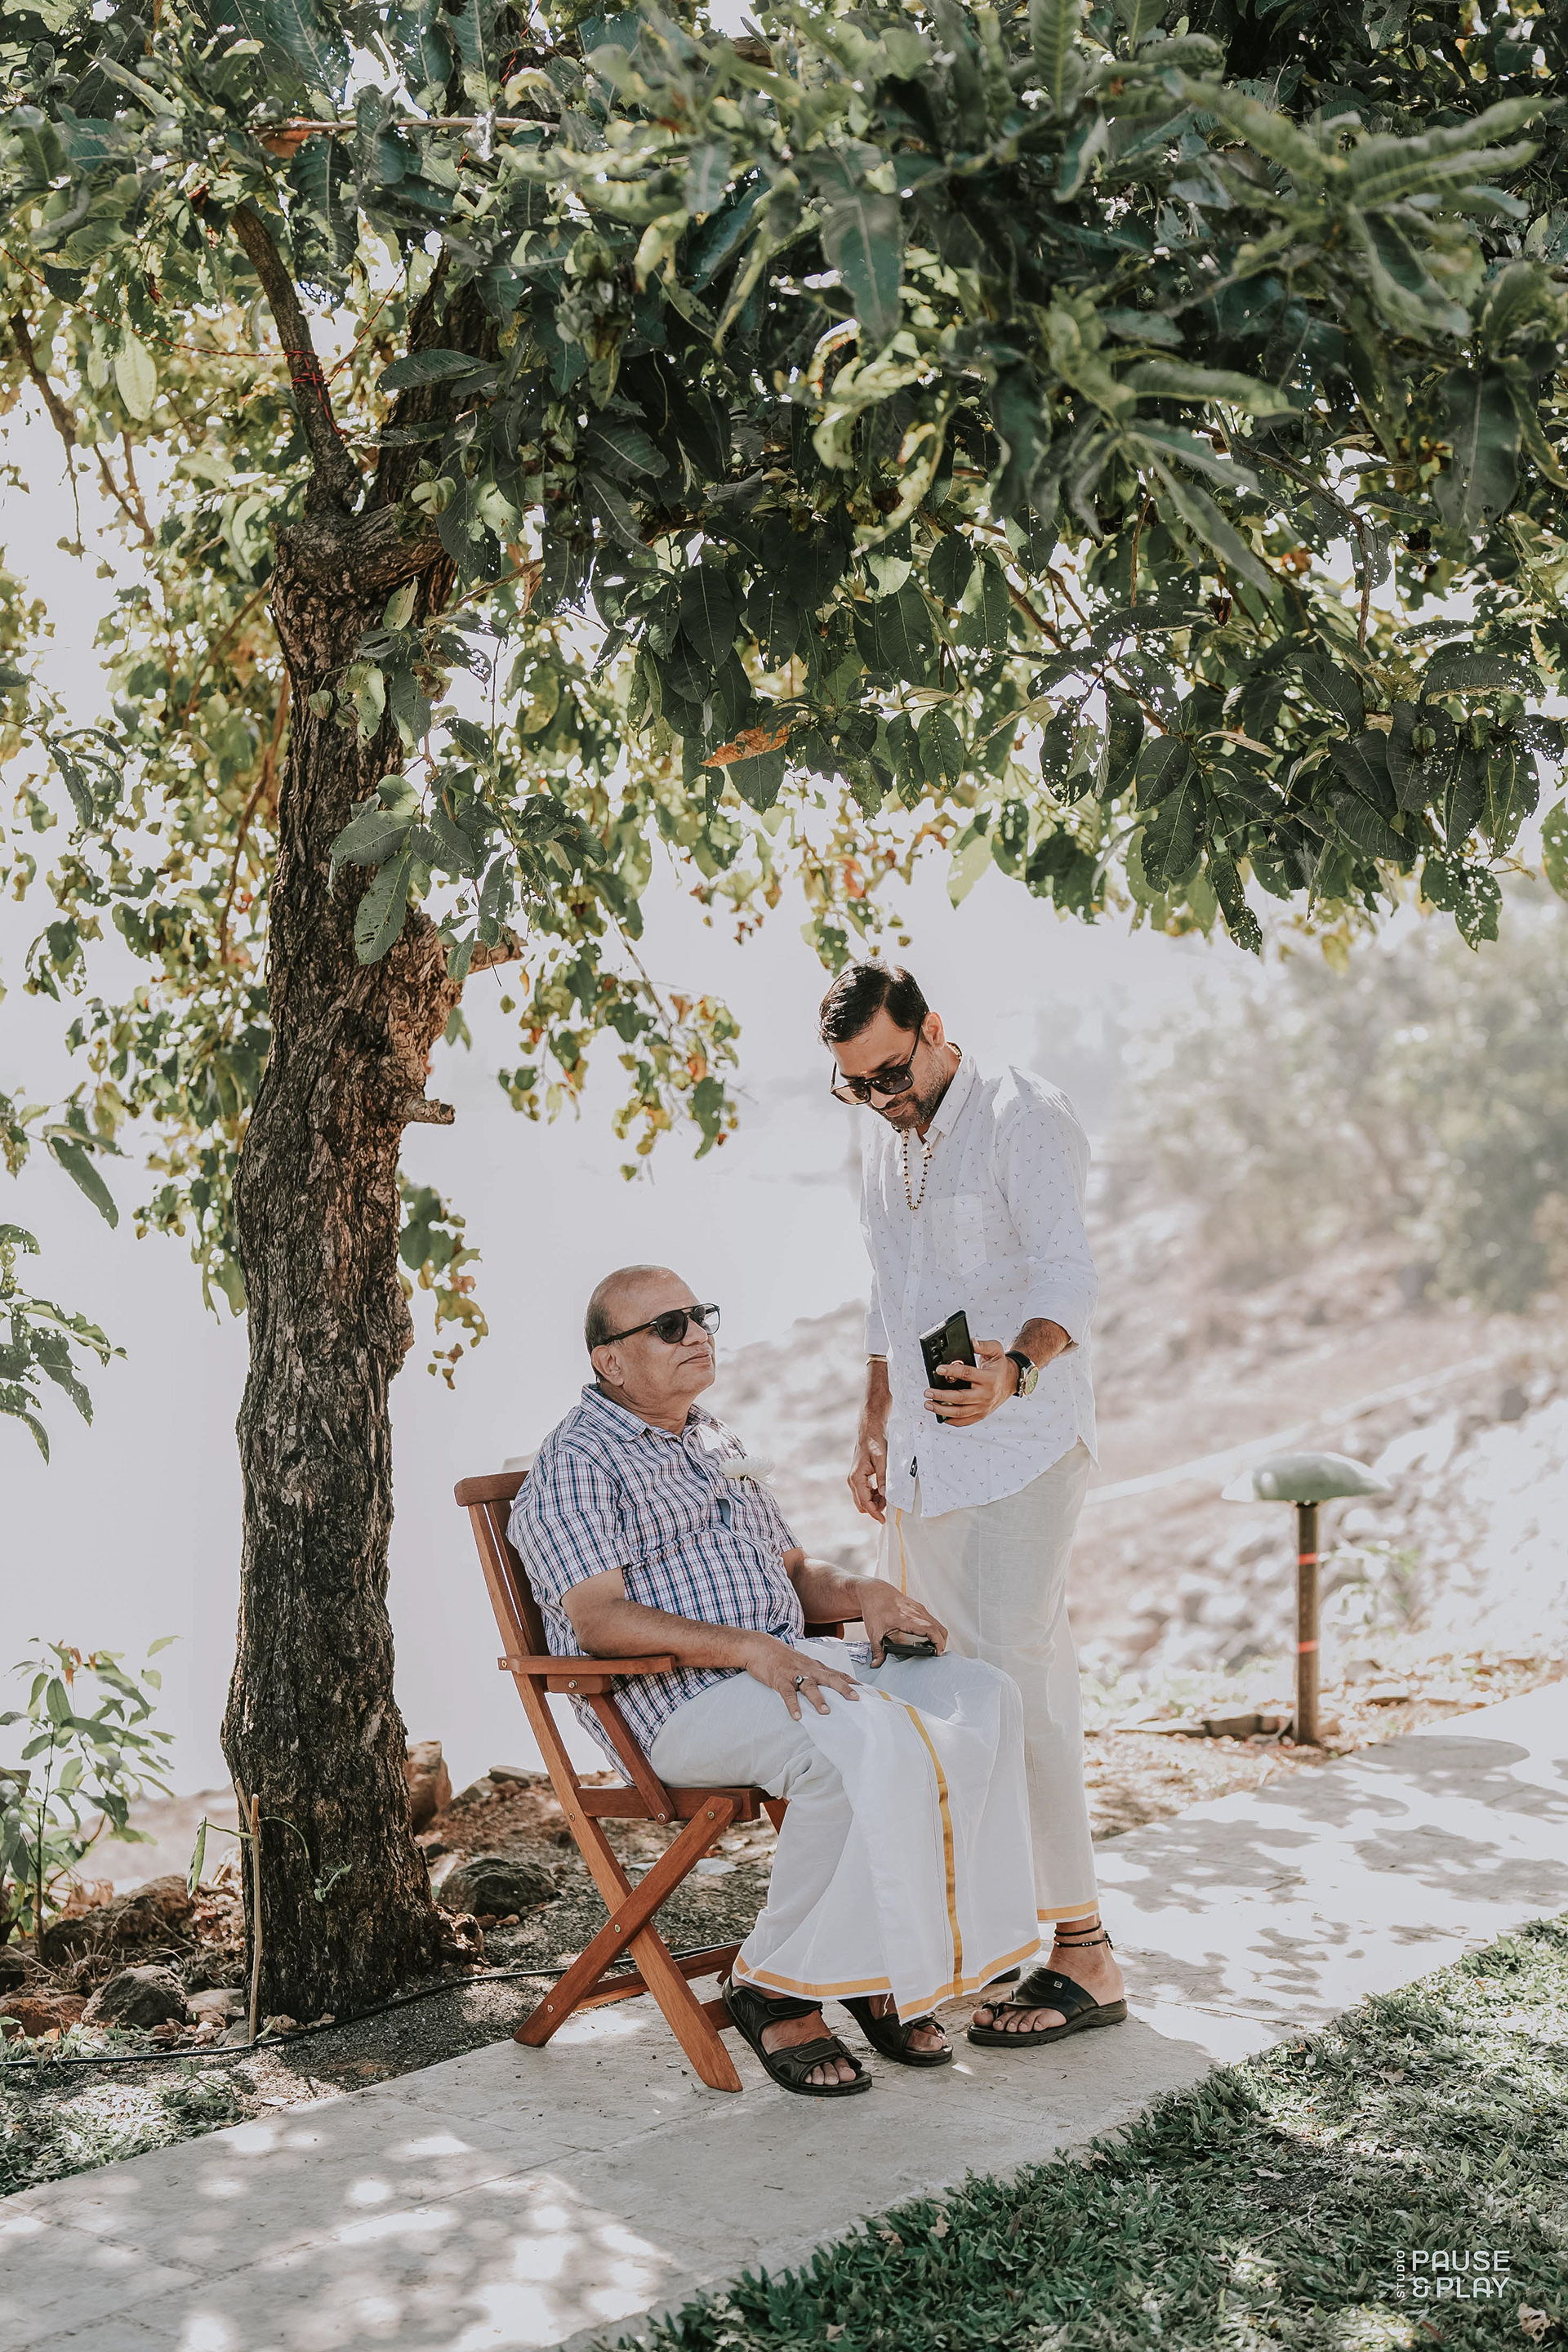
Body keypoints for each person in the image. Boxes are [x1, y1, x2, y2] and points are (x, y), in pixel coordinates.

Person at [509, 1263, 1042, 2098]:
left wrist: (863, 1593)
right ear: (610, 1361)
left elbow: (792, 1573)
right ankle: (775, 1985)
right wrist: (750, 1650)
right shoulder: (577, 1463)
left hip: (786, 1666)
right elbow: (599, 1621)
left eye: (700, 1316)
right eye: (669, 1326)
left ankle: (876, 1962)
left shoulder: (711, 1438)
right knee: (842, 1755)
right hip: (678, 1704)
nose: (697, 1335)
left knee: (981, 1698)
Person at [822, 960, 1127, 2050]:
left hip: (1021, 1452)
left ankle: (1085, 1952)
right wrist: (873, 1420)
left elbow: (1068, 1275)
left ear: (934, 1029)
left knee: (1022, 1690)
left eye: (892, 1074)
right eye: (857, 1084)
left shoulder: (1020, 1115)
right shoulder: (883, 1134)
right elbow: (888, 1289)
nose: (881, 1098)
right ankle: (985, 1942)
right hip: (927, 1466)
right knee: (940, 1697)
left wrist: (1017, 1371)